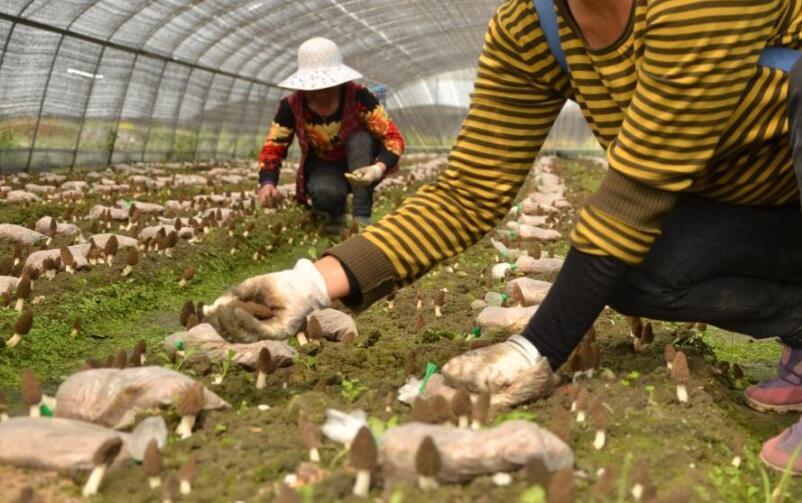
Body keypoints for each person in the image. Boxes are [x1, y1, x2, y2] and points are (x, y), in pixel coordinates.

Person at [212, 0, 802, 473]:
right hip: (760, 210)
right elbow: (469, 188)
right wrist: (311, 283)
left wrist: (538, 347)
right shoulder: (533, 28)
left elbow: (637, 189)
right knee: (639, 268)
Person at [256, 37, 405, 232]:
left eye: (327, 88)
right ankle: (334, 214)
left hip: (362, 162)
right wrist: (268, 183)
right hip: (325, 166)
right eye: (314, 89)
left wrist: (376, 169)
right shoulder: (291, 106)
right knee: (326, 194)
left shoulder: (359, 96)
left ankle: (362, 216)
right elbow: (274, 146)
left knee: (360, 140)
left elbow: (393, 138)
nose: (321, 94)